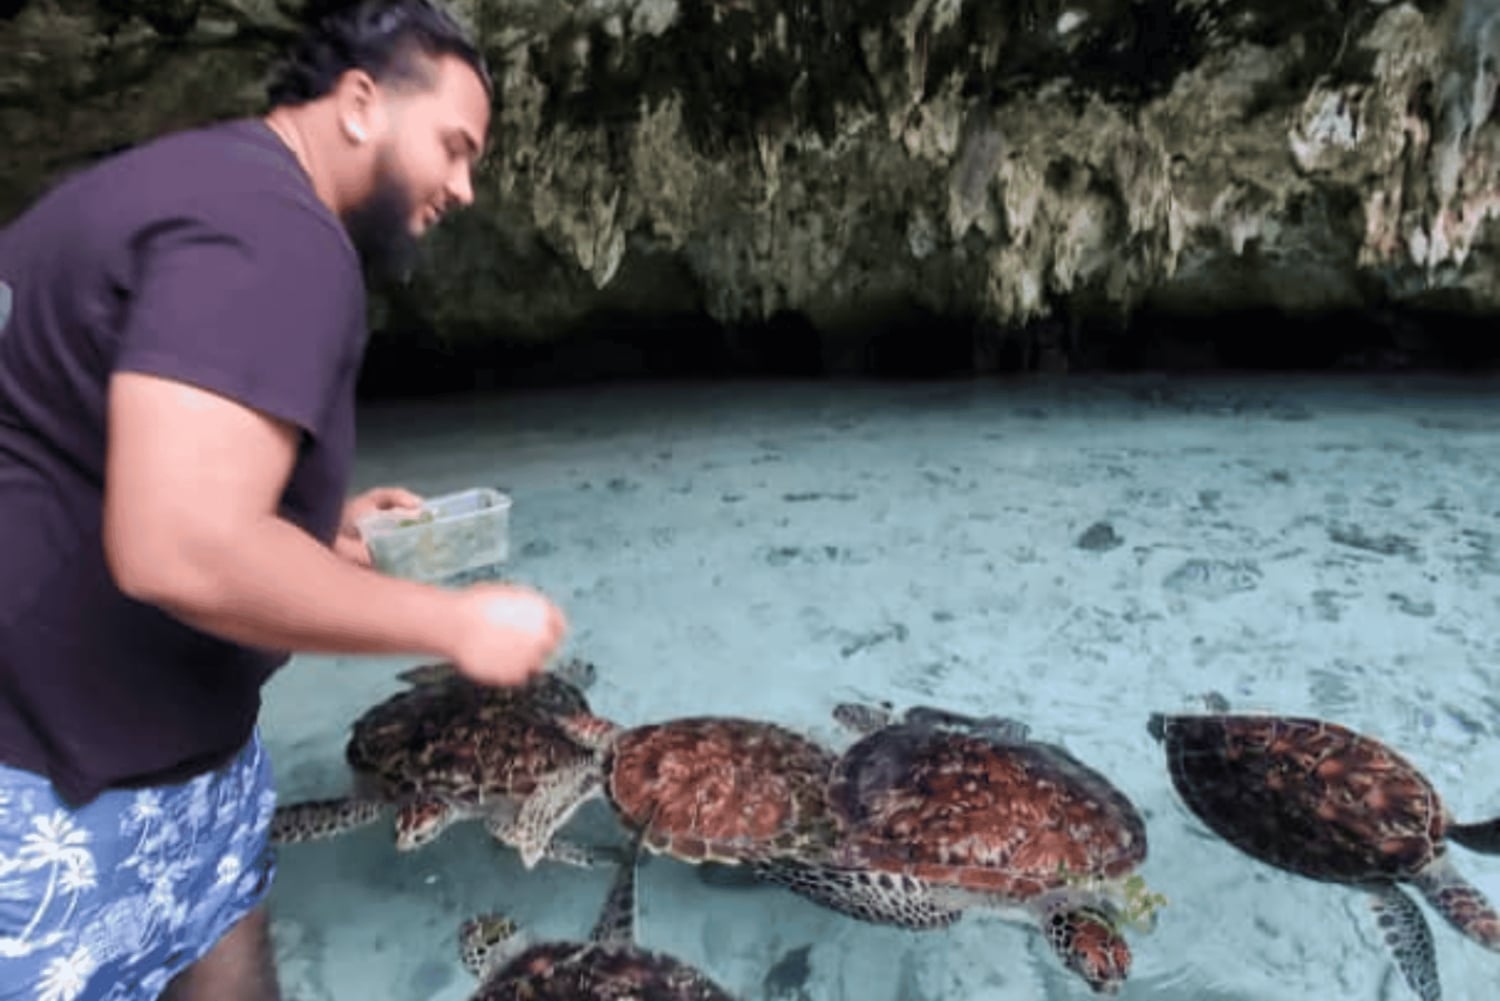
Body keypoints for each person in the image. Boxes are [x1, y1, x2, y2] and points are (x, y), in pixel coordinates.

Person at [0, 2, 568, 998]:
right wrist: (452, 621)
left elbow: (87, 455)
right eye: (454, 145)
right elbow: (179, 545)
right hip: (51, 796)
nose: (465, 187)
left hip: (144, 757)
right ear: (358, 103)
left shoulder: (187, 186)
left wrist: (319, 529)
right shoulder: (272, 233)